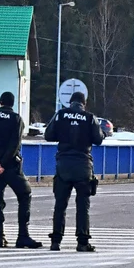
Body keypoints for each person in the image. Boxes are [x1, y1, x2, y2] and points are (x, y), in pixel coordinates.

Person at [0, 91, 41, 249]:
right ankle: (23, 236)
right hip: (11, 166)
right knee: (25, 195)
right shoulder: (16, 119)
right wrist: (3, 164)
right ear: (12, 104)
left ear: (0, 102)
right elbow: (14, 144)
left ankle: (0, 236)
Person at [44, 91, 105, 251]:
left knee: (60, 204)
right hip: (83, 166)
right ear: (84, 103)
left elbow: (48, 135)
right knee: (83, 205)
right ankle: (82, 242)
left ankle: (56, 241)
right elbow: (98, 139)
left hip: (63, 165)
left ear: (70, 103)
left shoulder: (61, 115)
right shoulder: (90, 117)